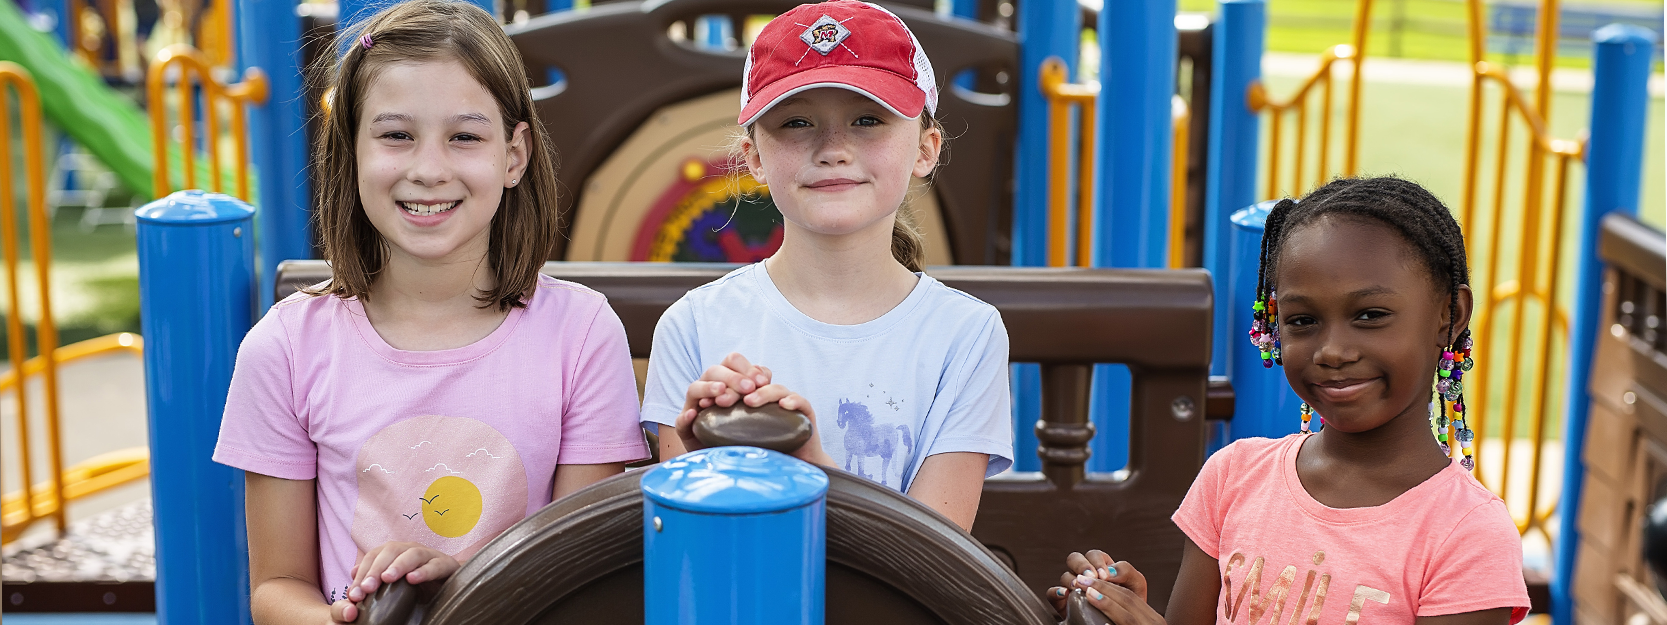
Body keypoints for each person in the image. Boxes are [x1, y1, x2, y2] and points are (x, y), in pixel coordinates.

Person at [211, 2, 648, 622]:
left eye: (465, 136)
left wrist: (462, 593)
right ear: (351, 149)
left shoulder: (580, 335)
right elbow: (277, 587)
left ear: (514, 155)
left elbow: (580, 573)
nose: (428, 169)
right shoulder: (284, 349)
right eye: (396, 135)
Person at [1050, 177, 1530, 624]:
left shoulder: (1466, 535)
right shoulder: (1234, 476)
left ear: (1451, 314)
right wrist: (1118, 607)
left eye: (1370, 314)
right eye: (1303, 320)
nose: (1333, 351)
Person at [639, 0, 1011, 531]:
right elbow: (700, 540)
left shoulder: (967, 335)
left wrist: (813, 467)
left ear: (926, 149)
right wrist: (705, 464)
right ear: (755, 158)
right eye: (796, 122)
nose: (834, 149)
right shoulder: (693, 326)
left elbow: (934, 562)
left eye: (867, 120)